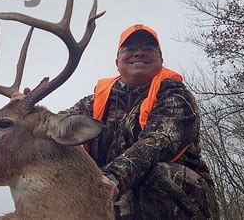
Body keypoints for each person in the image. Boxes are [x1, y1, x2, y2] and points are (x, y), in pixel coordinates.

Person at [62, 24, 218, 219]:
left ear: (160, 59)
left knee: (156, 174)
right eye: (129, 49)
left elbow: (157, 142)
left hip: (176, 200)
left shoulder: (175, 94)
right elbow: (58, 125)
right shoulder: (96, 101)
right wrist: (26, 107)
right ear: (117, 61)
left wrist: (111, 178)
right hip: (110, 194)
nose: (139, 53)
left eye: (147, 48)